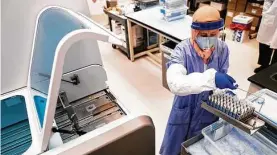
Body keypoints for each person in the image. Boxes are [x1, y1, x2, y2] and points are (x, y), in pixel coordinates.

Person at [160, 6, 237, 155]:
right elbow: (175, 83)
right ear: (194, 32)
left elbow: (219, 86)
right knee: (173, 149)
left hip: (207, 113)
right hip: (184, 111)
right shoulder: (182, 50)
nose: (208, 38)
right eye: (203, 34)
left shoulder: (222, 49)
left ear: (219, 32)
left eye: (213, 34)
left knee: (199, 149)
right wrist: (211, 78)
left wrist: (228, 94)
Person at [255, 0, 277, 73]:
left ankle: (274, 70)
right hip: (271, 14)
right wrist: (266, 12)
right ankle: (264, 65)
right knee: (264, 41)